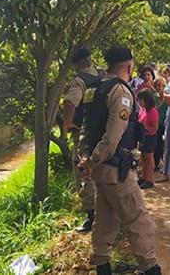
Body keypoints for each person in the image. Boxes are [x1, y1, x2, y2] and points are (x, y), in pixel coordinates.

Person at [78, 47, 161, 275]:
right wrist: (92, 161)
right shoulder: (120, 93)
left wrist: (85, 161)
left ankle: (103, 267)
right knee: (138, 222)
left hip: (100, 170)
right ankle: (151, 268)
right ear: (129, 66)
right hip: (115, 169)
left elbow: (86, 128)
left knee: (104, 222)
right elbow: (112, 138)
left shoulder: (95, 89)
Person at [62, 48, 98, 233]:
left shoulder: (79, 81)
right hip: (101, 135)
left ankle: (92, 218)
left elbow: (70, 102)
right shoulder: (102, 78)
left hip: (83, 135)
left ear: (76, 64)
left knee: (84, 173)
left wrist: (67, 123)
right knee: (99, 172)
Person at [137, 89, 159, 189]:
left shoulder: (153, 111)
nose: (140, 102)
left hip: (150, 136)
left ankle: (149, 179)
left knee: (149, 157)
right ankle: (143, 176)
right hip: (143, 137)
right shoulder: (142, 110)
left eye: (141, 100)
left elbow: (155, 127)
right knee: (143, 157)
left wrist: (145, 129)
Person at [153, 77, 168, 175]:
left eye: (160, 85)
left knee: (164, 144)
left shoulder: (167, 97)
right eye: (157, 86)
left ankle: (164, 163)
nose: (158, 88)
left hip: (165, 123)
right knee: (157, 143)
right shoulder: (154, 97)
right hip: (156, 123)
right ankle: (156, 163)